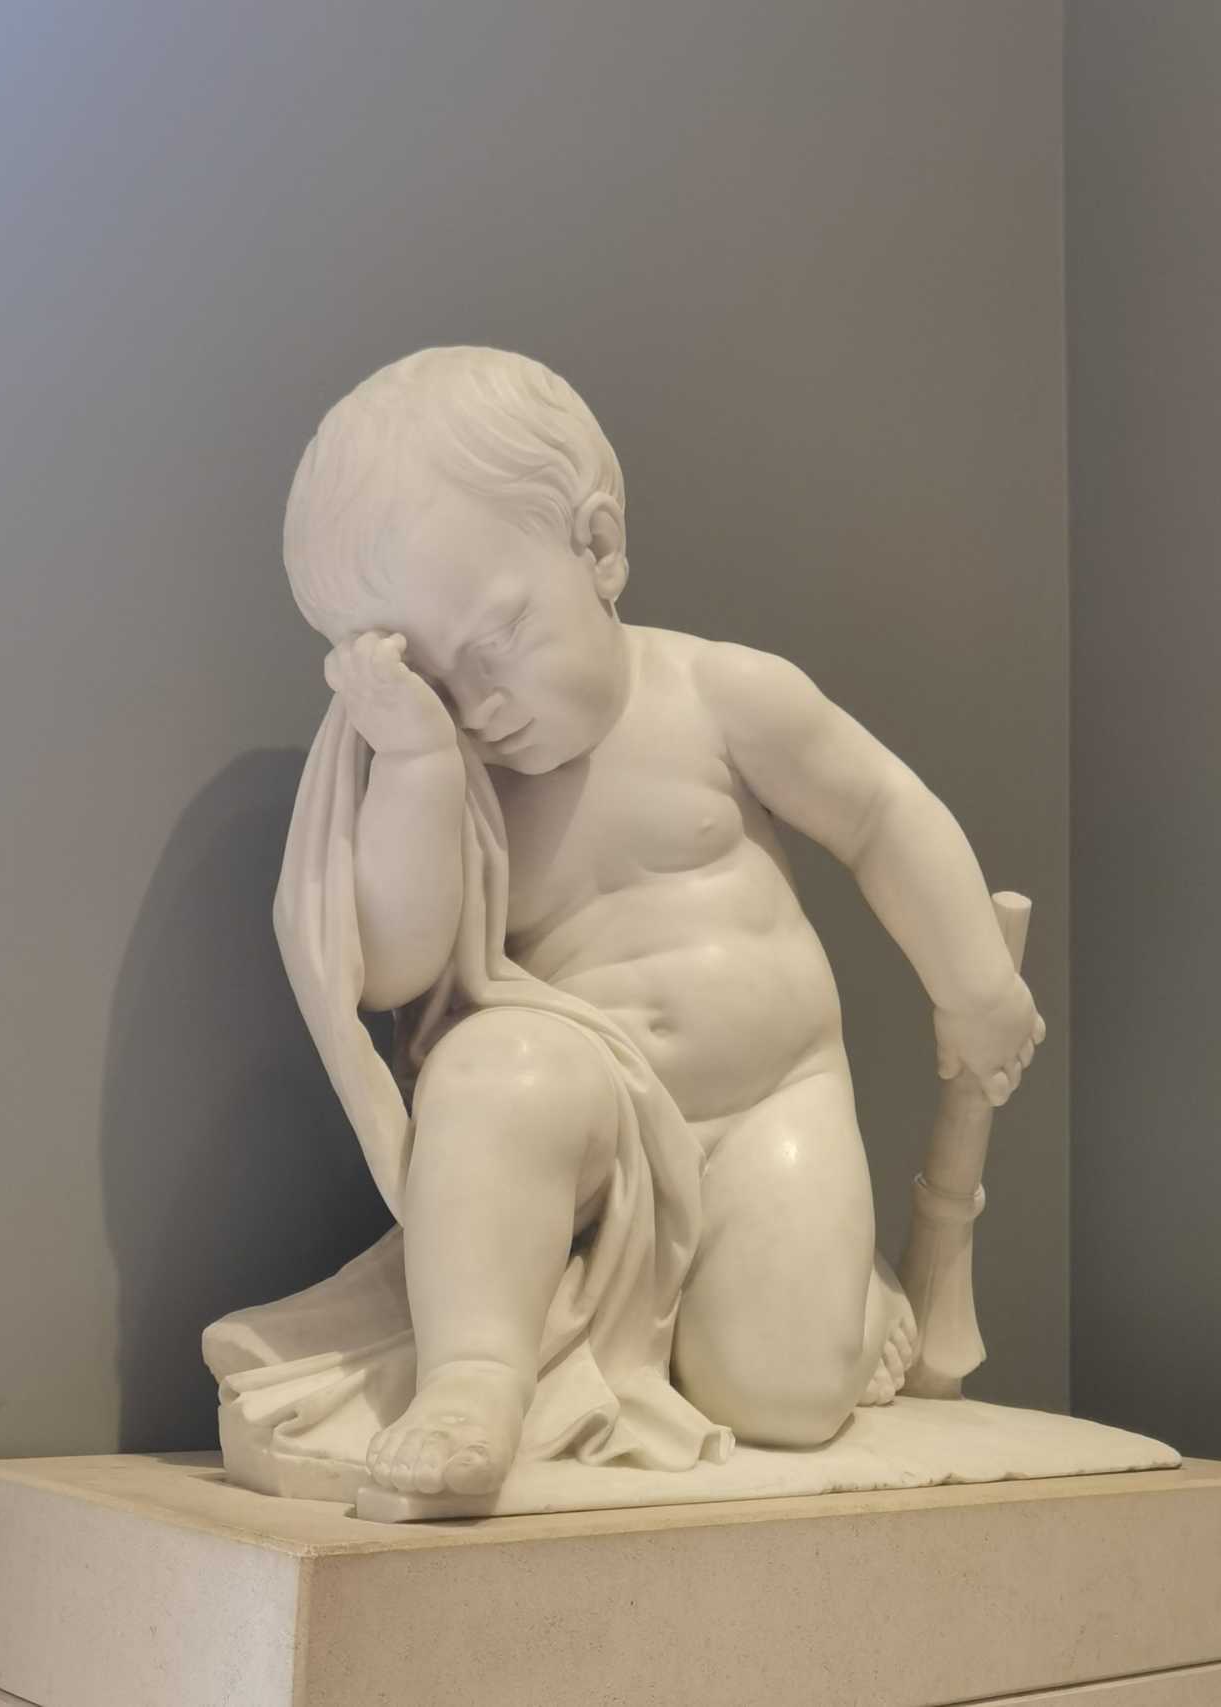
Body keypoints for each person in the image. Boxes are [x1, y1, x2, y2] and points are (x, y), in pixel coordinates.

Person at [278, 346, 1045, 1499]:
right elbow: (387, 973)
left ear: (595, 546)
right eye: (432, 681)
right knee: (486, 1073)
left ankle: (845, 1293)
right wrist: (418, 763)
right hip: (585, 1115)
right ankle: (473, 1378)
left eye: (491, 644)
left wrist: (973, 984)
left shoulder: (717, 694)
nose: (477, 704)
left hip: (769, 1098)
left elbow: (880, 814)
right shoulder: (453, 782)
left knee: (780, 1397)